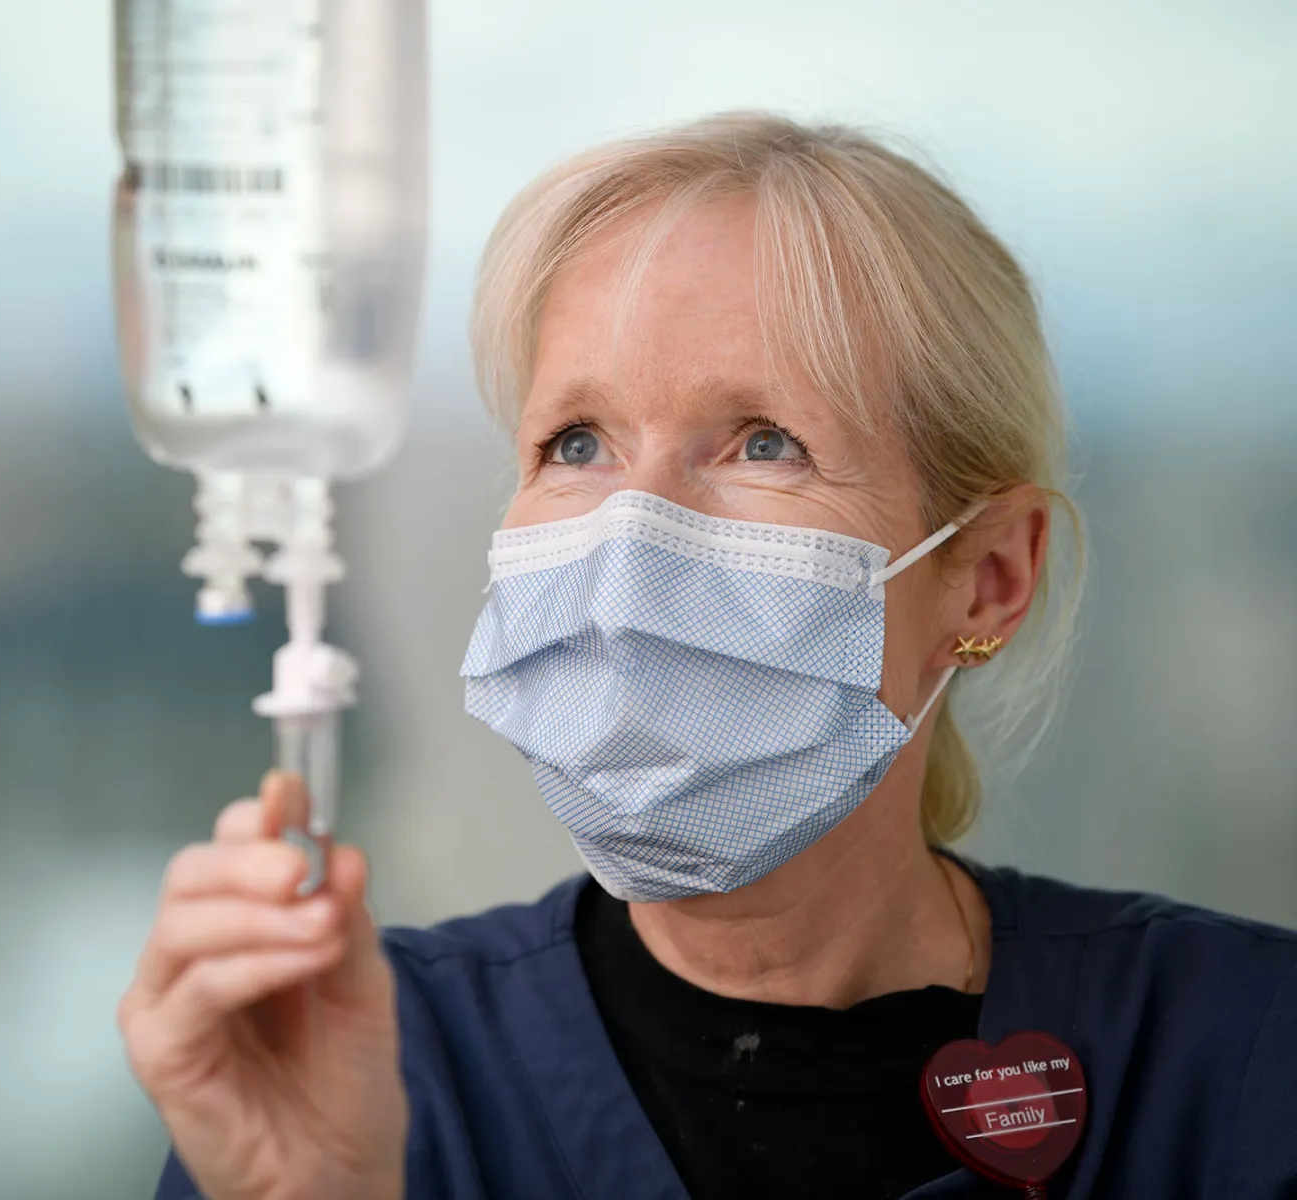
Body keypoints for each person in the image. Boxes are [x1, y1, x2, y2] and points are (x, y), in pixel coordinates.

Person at [118, 113, 1297, 1199]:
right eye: (574, 441)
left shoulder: (1238, 1056)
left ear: (987, 574)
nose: (629, 540)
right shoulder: (362, 1066)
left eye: (764, 442)